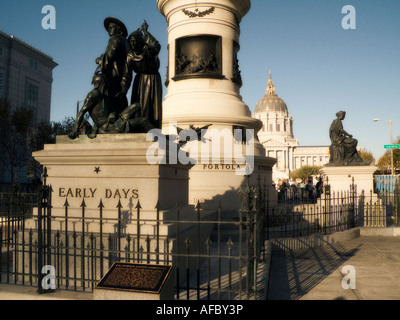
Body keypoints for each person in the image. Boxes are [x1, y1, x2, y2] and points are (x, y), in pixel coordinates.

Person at [119, 21, 163, 130]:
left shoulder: (148, 49)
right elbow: (126, 75)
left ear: (141, 41)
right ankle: (139, 129)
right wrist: (123, 90)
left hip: (152, 80)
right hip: (139, 82)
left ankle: (153, 129)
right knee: (138, 106)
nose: (133, 44)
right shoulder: (130, 55)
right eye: (131, 42)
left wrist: (145, 33)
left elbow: (156, 47)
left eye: (135, 41)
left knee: (152, 108)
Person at [99, 17, 130, 115]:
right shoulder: (125, 41)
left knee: (110, 106)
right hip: (123, 78)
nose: (109, 30)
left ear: (118, 28)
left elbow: (108, 58)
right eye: (108, 28)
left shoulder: (115, 39)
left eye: (111, 27)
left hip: (113, 77)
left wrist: (100, 60)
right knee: (120, 105)